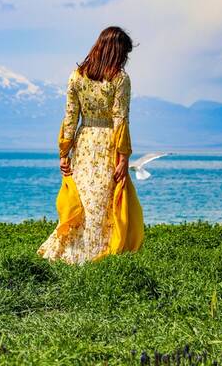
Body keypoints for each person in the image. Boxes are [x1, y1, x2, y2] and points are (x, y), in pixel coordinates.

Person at [38, 26, 144, 264]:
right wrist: (124, 158)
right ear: (117, 52)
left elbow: (70, 118)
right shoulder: (120, 78)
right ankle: (98, 254)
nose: (126, 59)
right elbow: (120, 119)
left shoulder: (77, 76)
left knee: (84, 198)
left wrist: (64, 154)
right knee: (103, 201)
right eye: (125, 53)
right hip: (107, 145)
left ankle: (71, 253)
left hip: (84, 143)